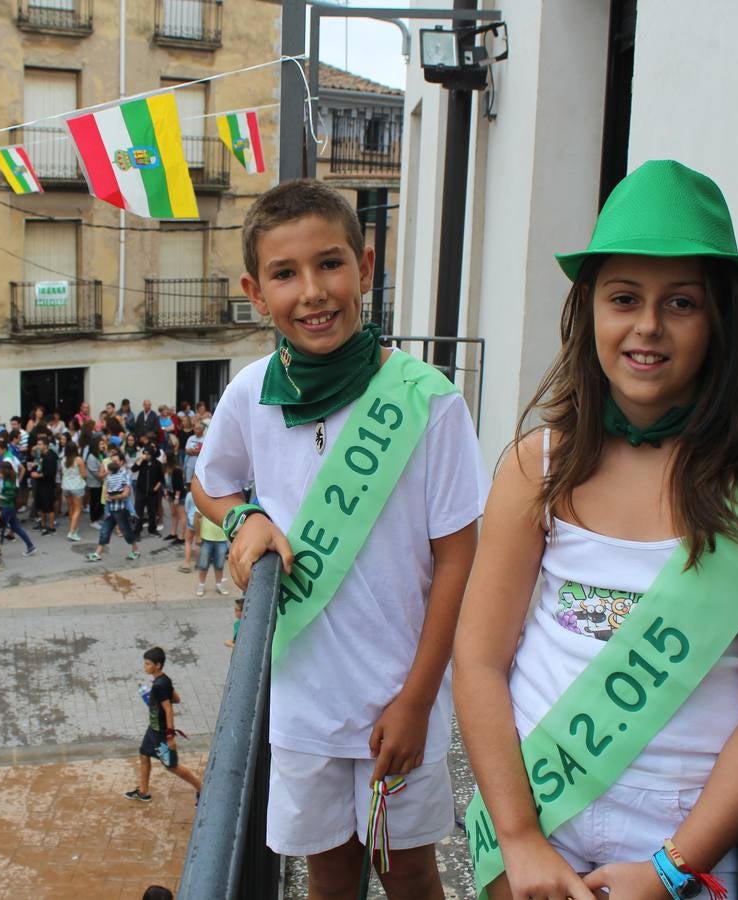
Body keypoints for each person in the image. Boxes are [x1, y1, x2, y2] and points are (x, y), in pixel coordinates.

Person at [453, 161, 738, 900]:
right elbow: (479, 661)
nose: (647, 325)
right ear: (590, 313)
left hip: (686, 856)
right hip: (539, 833)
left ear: (720, 322)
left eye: (681, 302)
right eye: (623, 299)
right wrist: (517, 839)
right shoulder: (537, 467)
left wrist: (671, 869)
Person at [191, 179, 485, 899]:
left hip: (399, 695)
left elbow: (458, 560)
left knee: (408, 867)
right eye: (285, 275)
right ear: (255, 293)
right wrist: (244, 518)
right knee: (327, 871)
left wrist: (418, 701)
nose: (313, 292)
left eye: (330, 264)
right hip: (303, 698)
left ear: (367, 267)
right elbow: (211, 480)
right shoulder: (250, 392)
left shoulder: (430, 402)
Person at [125, 646, 201, 803]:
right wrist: (154, 700)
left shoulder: (159, 685)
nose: (145, 667)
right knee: (144, 754)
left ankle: (202, 788)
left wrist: (170, 736)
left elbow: (169, 709)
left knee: (171, 766)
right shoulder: (164, 680)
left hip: (161, 733)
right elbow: (176, 699)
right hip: (152, 729)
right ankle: (143, 791)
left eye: (147, 664)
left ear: (157, 665)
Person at [87, 458, 141, 562]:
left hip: (121, 509)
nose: (114, 463)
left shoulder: (125, 475)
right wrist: (107, 496)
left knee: (126, 530)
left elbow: (125, 494)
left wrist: (111, 497)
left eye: (116, 461)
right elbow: (107, 491)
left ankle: (135, 550)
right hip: (111, 509)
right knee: (104, 530)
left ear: (121, 462)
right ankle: (97, 553)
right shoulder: (110, 477)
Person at [0, 459, 37, 557]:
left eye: (0, 469)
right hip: (10, 507)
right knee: (16, 528)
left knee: (1, 529)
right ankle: (30, 546)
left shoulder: (8, 483)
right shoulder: (10, 479)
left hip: (6, 507)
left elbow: (7, 497)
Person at [192, 505, 229, 598]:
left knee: (220, 564)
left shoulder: (226, 503)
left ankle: (219, 584)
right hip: (206, 538)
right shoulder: (205, 502)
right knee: (203, 564)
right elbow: (196, 517)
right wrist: (197, 535)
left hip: (222, 539)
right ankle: (201, 584)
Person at [30, 436, 58, 535]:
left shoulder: (51, 456)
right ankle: (42, 524)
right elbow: (40, 465)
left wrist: (37, 475)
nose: (38, 446)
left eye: (40, 444)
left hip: (48, 485)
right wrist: (35, 466)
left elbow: (50, 472)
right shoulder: (42, 454)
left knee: (48, 506)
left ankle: (51, 527)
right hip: (40, 484)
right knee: (41, 505)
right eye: (38, 444)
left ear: (46, 445)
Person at [61, 444, 87, 542]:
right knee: (78, 509)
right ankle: (72, 532)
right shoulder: (79, 460)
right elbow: (84, 474)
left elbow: (62, 472)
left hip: (66, 486)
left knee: (71, 508)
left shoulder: (63, 459)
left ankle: (73, 528)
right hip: (76, 486)